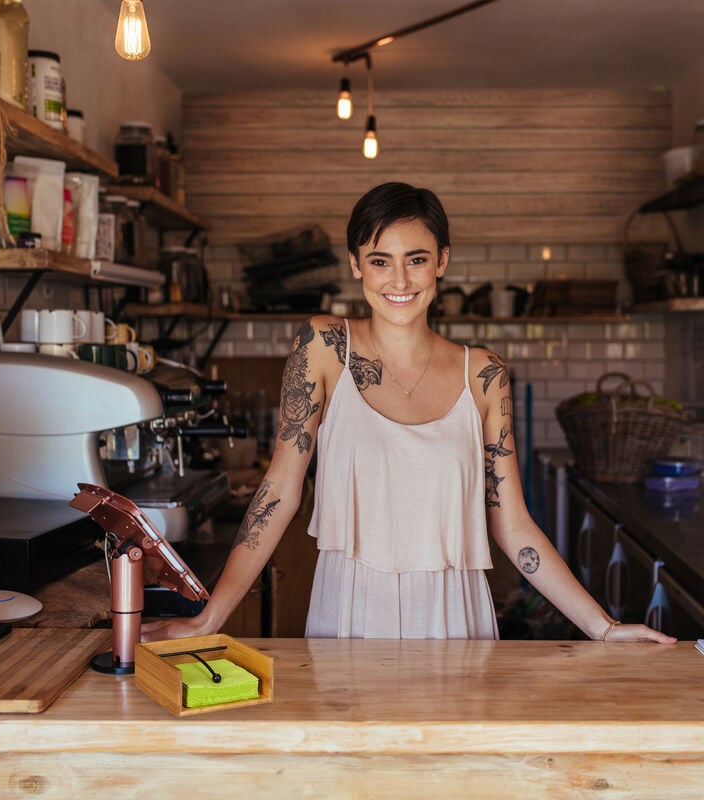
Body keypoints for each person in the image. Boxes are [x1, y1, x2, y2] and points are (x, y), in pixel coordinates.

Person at [142, 182, 675, 644]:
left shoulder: (484, 375)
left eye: (416, 259)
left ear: (442, 260)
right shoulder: (324, 346)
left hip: (455, 614)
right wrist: (211, 615)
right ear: (356, 265)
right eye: (380, 261)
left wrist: (602, 627)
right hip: (348, 608)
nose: (399, 280)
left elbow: (512, 524)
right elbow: (278, 491)